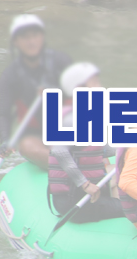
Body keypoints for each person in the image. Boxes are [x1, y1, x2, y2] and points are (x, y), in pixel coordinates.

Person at [48, 63, 124, 223]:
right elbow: (59, 151)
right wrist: (84, 184)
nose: (100, 86)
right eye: (94, 82)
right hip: (73, 200)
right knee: (133, 207)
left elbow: (106, 150)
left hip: (91, 195)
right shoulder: (70, 117)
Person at [0, 14, 72, 169]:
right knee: (26, 146)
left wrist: (56, 92)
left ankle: (84, 162)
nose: (31, 42)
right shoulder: (10, 76)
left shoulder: (61, 62)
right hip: (37, 134)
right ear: (16, 42)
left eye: (35, 36)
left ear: (42, 37)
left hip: (69, 127)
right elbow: (3, 114)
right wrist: (5, 140)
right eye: (25, 37)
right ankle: (66, 166)